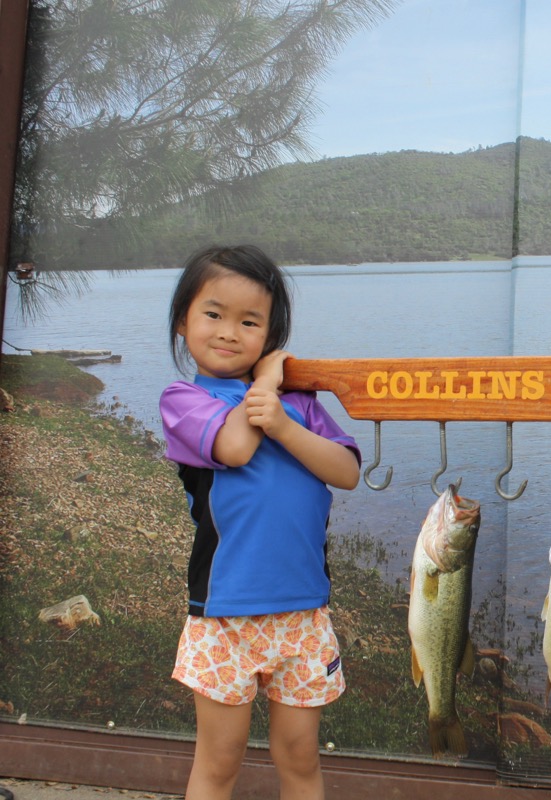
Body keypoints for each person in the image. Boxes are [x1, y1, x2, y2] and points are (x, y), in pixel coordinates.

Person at [160, 244, 361, 799]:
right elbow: (235, 448)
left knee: (298, 757)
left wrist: (285, 420)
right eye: (213, 314)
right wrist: (266, 388)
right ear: (183, 321)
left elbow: (345, 472)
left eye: (249, 321)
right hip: (224, 615)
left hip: (303, 613)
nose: (229, 332)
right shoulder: (185, 399)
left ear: (269, 335)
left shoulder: (301, 404)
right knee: (219, 763)